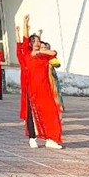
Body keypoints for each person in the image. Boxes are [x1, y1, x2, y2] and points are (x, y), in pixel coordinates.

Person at [17, 15, 63, 149]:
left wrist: (41, 52)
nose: (36, 43)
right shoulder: (26, 54)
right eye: (34, 41)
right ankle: (32, 137)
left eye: (38, 41)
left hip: (45, 89)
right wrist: (25, 23)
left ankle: (51, 139)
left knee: (51, 113)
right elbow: (24, 40)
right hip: (31, 90)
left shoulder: (43, 55)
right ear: (30, 44)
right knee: (31, 115)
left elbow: (54, 53)